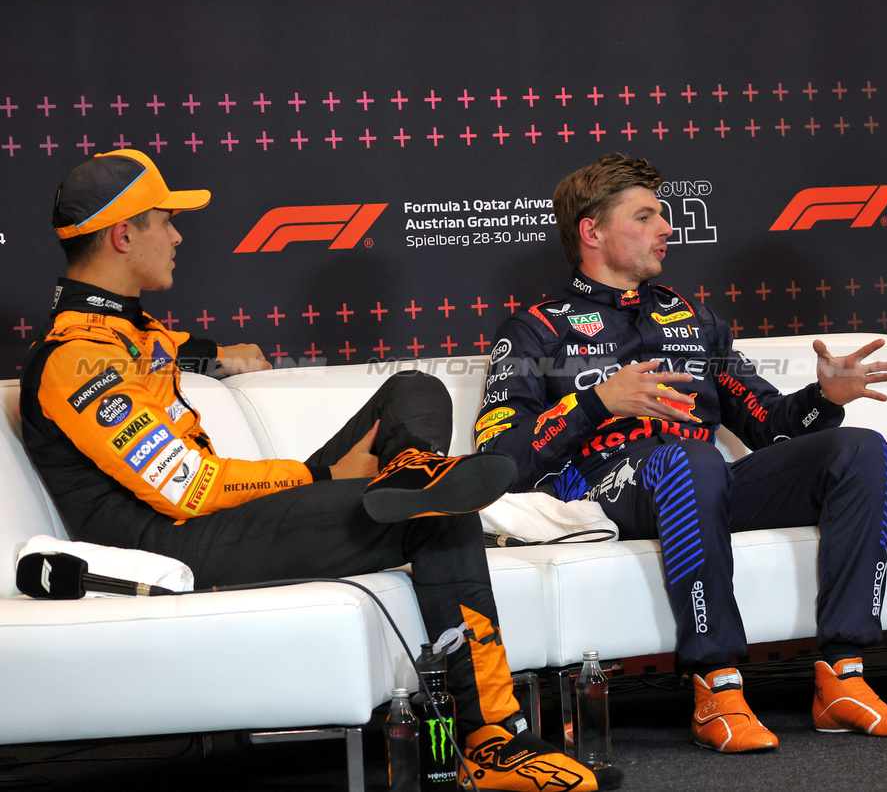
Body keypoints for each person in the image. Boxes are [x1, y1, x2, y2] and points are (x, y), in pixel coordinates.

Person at [20, 149, 618, 792]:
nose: (177, 235)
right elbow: (188, 489)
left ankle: (412, 469)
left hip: (223, 513)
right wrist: (316, 477)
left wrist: (222, 356)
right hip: (173, 540)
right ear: (122, 234)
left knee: (414, 388)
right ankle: (492, 741)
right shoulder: (76, 360)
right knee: (437, 515)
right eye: (165, 220)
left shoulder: (128, 333)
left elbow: (169, 355)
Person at [476, 153, 887, 752]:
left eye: (662, 215)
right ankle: (718, 687)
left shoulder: (691, 318)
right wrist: (598, 403)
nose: (668, 228)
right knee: (693, 461)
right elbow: (500, 457)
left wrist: (823, 396)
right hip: (610, 493)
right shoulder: (535, 329)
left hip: (705, 486)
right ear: (592, 231)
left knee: (858, 450)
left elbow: (772, 427)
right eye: (647, 216)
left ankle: (842, 678)